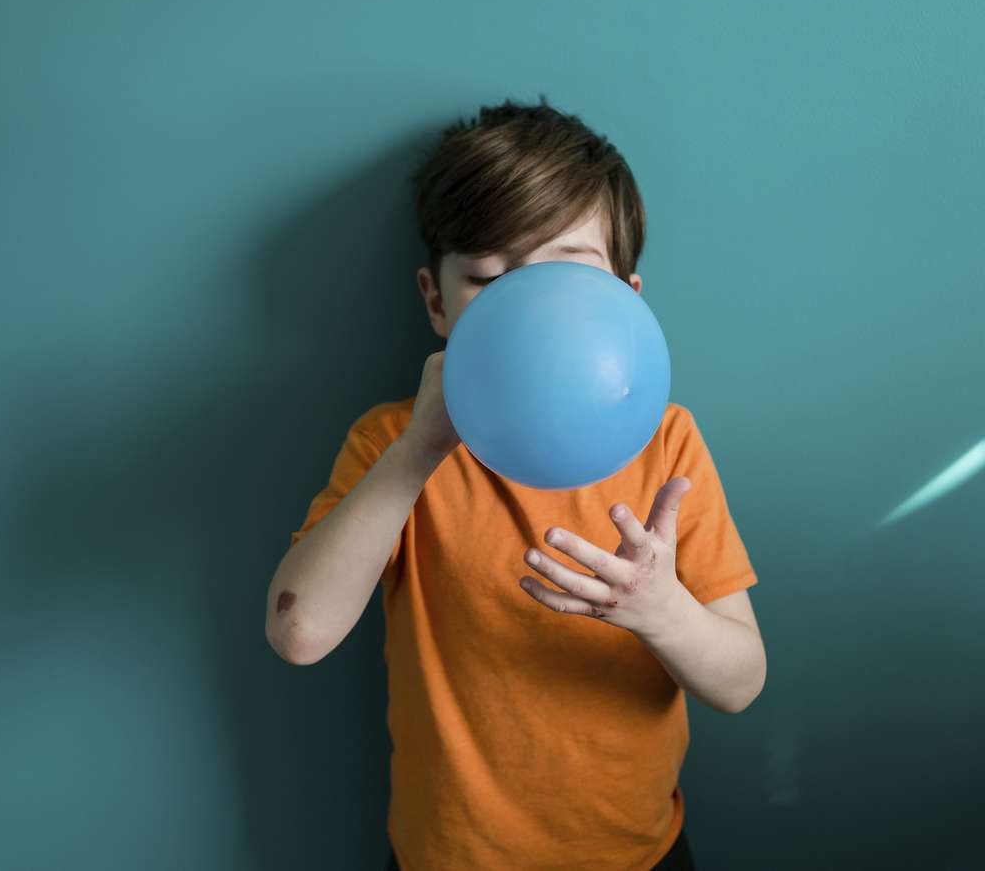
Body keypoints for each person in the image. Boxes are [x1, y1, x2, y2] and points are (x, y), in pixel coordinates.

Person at [266, 95, 765, 870]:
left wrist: (660, 610)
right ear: (437, 302)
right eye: (489, 278)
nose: (532, 311)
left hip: (636, 856)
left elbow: (740, 684)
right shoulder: (392, 442)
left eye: (568, 271)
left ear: (629, 303)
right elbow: (299, 634)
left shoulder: (668, 442)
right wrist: (419, 451)